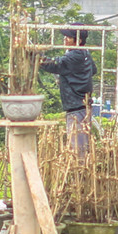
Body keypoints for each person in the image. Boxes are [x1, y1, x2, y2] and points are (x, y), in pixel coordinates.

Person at [40, 25, 97, 155]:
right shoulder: (84, 53)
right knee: (79, 145)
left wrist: (36, 56)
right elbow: (93, 70)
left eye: (69, 37)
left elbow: (54, 64)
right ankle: (80, 172)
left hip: (77, 108)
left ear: (79, 41)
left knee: (78, 149)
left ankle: (80, 173)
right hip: (81, 106)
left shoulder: (75, 55)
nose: (65, 39)